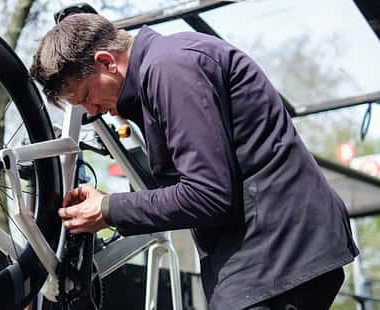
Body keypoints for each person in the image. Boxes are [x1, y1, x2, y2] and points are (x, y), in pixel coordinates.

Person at [30, 12, 359, 310]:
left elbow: (207, 195)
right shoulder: (165, 69)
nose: (91, 111)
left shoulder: (170, 69)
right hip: (270, 252)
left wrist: (108, 209)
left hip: (277, 253)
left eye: (87, 96)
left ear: (106, 62)